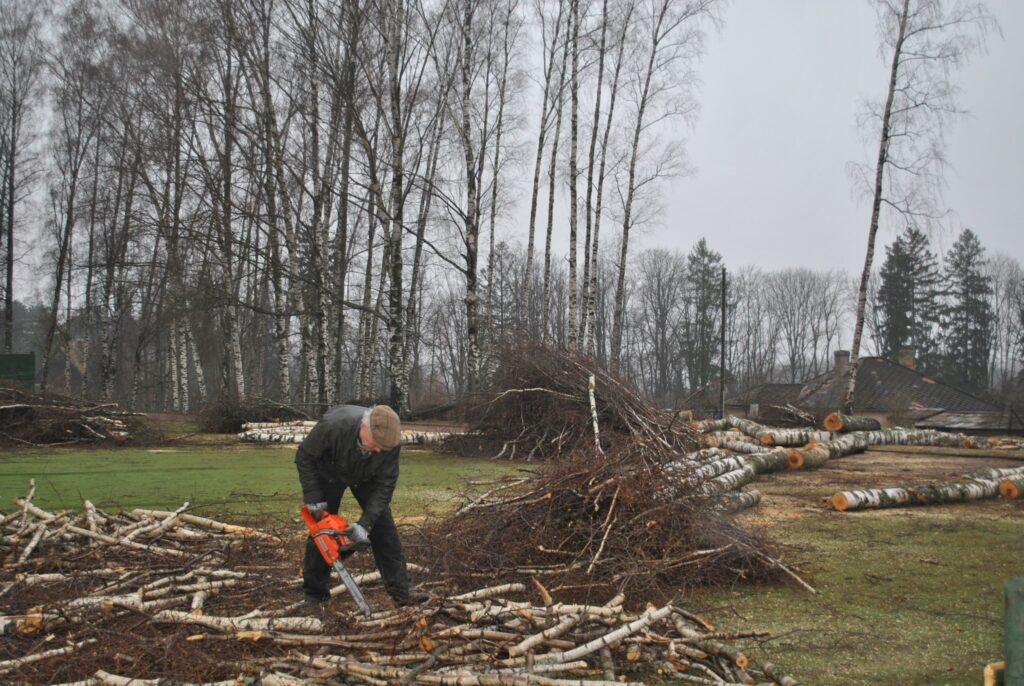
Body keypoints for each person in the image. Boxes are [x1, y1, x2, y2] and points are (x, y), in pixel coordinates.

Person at [295, 404, 426, 607]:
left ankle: (402, 591)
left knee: (384, 528)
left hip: (367, 476)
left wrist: (365, 524)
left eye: (383, 448)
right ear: (364, 429)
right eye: (375, 445)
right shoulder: (333, 426)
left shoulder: (389, 443)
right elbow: (304, 456)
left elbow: (385, 485)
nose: (379, 450)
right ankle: (314, 595)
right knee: (321, 531)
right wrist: (313, 496)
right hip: (329, 472)